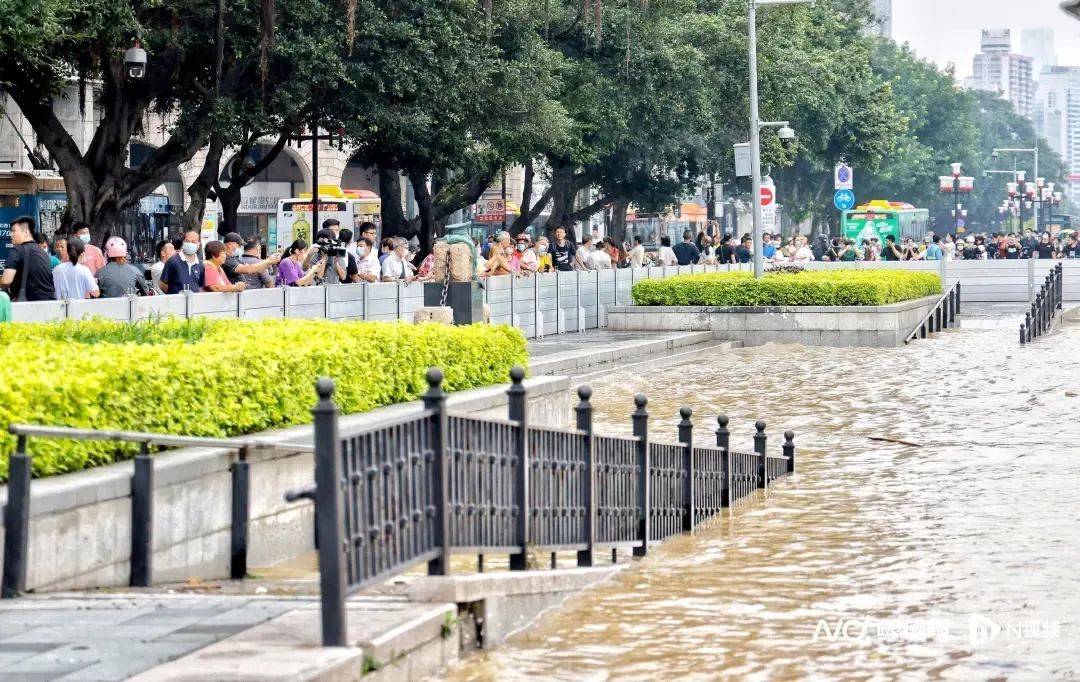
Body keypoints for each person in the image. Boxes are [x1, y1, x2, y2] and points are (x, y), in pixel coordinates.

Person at [0, 216, 56, 301]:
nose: (11, 234)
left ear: (26, 232)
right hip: (48, 305)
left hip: (27, 305)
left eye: (14, 231)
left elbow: (6, 281)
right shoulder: (43, 253)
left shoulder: (17, 250)